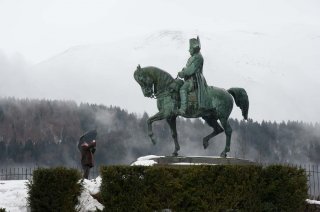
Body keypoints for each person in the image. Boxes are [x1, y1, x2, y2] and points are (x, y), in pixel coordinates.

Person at [177, 36, 209, 115]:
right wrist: (183, 71)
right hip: (189, 78)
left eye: (190, 48)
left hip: (195, 80)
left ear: (194, 49)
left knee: (183, 89)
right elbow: (188, 69)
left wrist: (183, 73)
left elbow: (191, 70)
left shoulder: (198, 57)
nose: (189, 50)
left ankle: (183, 109)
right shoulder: (193, 57)